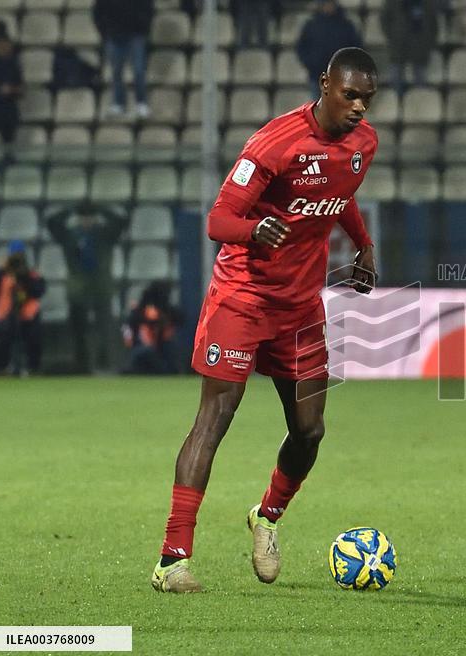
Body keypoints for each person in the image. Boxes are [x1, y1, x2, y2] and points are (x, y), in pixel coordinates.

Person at [151, 48, 380, 593]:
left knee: (310, 431)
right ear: (324, 85)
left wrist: (364, 245)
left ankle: (267, 517)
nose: (358, 108)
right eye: (349, 95)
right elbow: (219, 219)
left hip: (299, 307)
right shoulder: (274, 143)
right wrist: (253, 230)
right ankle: (172, 560)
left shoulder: (363, 144)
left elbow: (340, 195)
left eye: (367, 99)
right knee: (216, 418)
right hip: (243, 298)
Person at [46, 203, 129, 373]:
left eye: (90, 217)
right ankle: (81, 362)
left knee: (104, 327)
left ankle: (104, 360)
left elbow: (121, 222)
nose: (86, 221)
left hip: (101, 286)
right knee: (78, 329)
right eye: (83, 217)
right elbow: (51, 223)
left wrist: (102, 209)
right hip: (77, 288)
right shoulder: (70, 235)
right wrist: (70, 209)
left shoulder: (104, 234)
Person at [0, 241, 46, 375]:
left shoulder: (30, 274)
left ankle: (32, 368)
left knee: (34, 338)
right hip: (5, 316)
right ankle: (3, 367)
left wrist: (26, 276)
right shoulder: (1, 274)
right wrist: (0, 270)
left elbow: (38, 291)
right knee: (3, 340)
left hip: (28, 315)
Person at [93, 0, 153, 118]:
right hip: (113, 36)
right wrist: (105, 32)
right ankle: (118, 104)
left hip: (136, 35)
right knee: (116, 72)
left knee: (138, 71)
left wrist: (143, 28)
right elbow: (97, 12)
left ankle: (141, 103)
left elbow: (148, 9)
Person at [296, 1, 363, 100]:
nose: (328, 7)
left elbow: (356, 48)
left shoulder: (346, 25)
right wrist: (310, 63)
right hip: (317, 75)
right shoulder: (311, 25)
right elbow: (301, 47)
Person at [123, 281, 183, 374]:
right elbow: (129, 332)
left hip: (162, 348)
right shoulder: (140, 312)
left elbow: (180, 319)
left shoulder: (167, 312)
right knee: (146, 354)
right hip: (143, 347)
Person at [381, 0, 439, 94]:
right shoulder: (393, 2)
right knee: (396, 79)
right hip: (398, 45)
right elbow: (384, 19)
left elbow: (433, 24)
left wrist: (428, 41)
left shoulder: (427, 3)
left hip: (420, 45)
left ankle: (418, 100)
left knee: (420, 80)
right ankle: (397, 99)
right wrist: (393, 36)